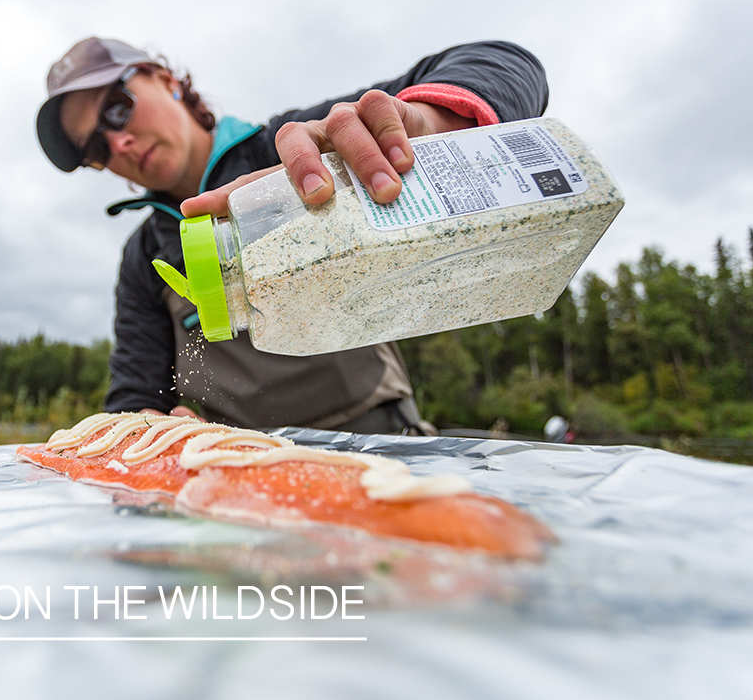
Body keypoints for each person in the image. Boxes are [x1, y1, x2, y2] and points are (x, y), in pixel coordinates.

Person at [36, 37, 548, 433]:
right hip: (239, 477)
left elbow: (507, 62)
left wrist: (429, 124)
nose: (119, 141)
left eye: (117, 109)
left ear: (165, 78)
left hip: (383, 444)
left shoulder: (292, 149)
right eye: (96, 150)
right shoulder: (144, 258)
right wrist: (149, 430)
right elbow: (133, 397)